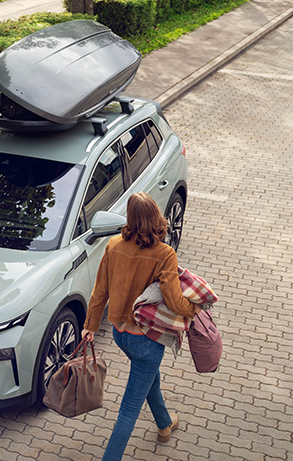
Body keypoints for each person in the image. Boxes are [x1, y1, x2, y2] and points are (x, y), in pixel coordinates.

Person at [80, 193, 197, 461]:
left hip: (121, 335)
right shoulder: (164, 254)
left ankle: (165, 424)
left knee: (147, 380)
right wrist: (193, 310)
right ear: (156, 216)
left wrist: (91, 326)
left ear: (130, 218)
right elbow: (173, 298)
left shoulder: (113, 246)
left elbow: (100, 291)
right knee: (128, 410)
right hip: (146, 341)